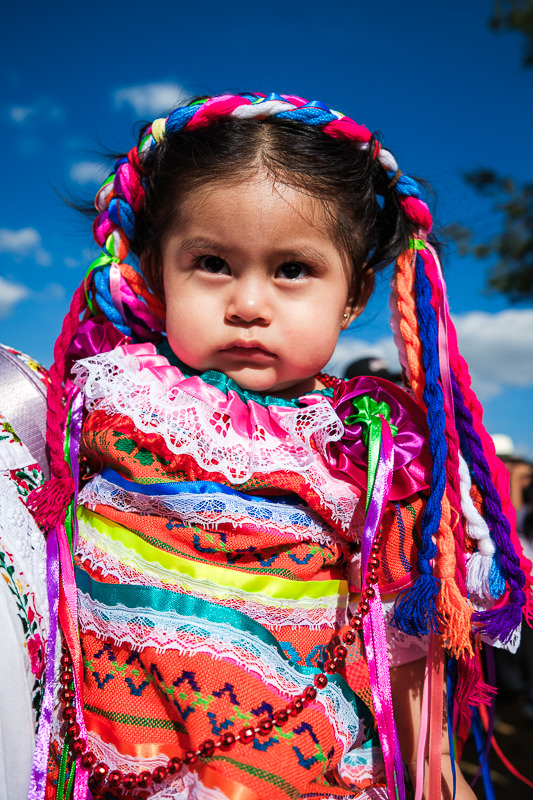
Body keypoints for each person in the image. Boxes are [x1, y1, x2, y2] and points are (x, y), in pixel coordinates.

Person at [1, 92, 531, 800]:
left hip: (318, 772)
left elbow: (401, 656)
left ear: (353, 294)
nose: (249, 303)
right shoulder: (100, 401)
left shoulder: (372, 459)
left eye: (291, 270)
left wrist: (437, 781)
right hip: (123, 762)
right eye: (213, 262)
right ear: (158, 271)